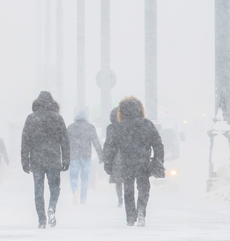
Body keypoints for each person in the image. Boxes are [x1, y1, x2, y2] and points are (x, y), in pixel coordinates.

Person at [103, 97, 164, 227]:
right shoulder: (147, 124)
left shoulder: (120, 127)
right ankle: (141, 211)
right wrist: (158, 159)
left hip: (127, 162)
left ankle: (130, 217)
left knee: (128, 189)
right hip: (143, 161)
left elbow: (111, 147)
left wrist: (108, 164)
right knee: (144, 187)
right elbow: (158, 143)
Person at [21, 91, 70, 228]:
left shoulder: (31, 119)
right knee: (54, 187)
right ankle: (52, 207)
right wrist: (66, 159)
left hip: (36, 160)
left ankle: (41, 220)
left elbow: (25, 142)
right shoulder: (57, 118)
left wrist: (25, 161)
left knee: (38, 189)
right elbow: (64, 141)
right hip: (53, 158)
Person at [67, 109, 103, 205]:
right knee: (85, 178)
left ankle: (75, 190)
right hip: (86, 156)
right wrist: (101, 156)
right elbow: (96, 142)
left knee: (73, 177)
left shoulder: (70, 128)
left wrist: (64, 156)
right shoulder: (90, 127)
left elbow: (65, 143)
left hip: (74, 156)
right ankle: (83, 199)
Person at [105, 107, 123, 208]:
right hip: (127, 155)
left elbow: (108, 143)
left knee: (118, 181)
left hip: (115, 156)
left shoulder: (111, 128)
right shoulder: (127, 126)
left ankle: (120, 199)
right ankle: (128, 198)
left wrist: (106, 158)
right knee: (128, 179)